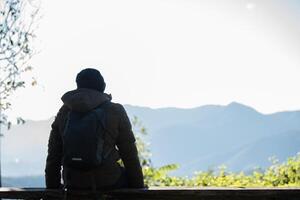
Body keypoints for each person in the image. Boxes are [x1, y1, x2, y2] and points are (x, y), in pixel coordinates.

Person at [45, 68, 144, 190]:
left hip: (74, 184)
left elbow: (54, 155)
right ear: (103, 86)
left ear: (78, 86)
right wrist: (139, 189)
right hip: (109, 182)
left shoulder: (65, 112)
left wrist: (52, 187)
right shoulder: (115, 111)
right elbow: (129, 155)